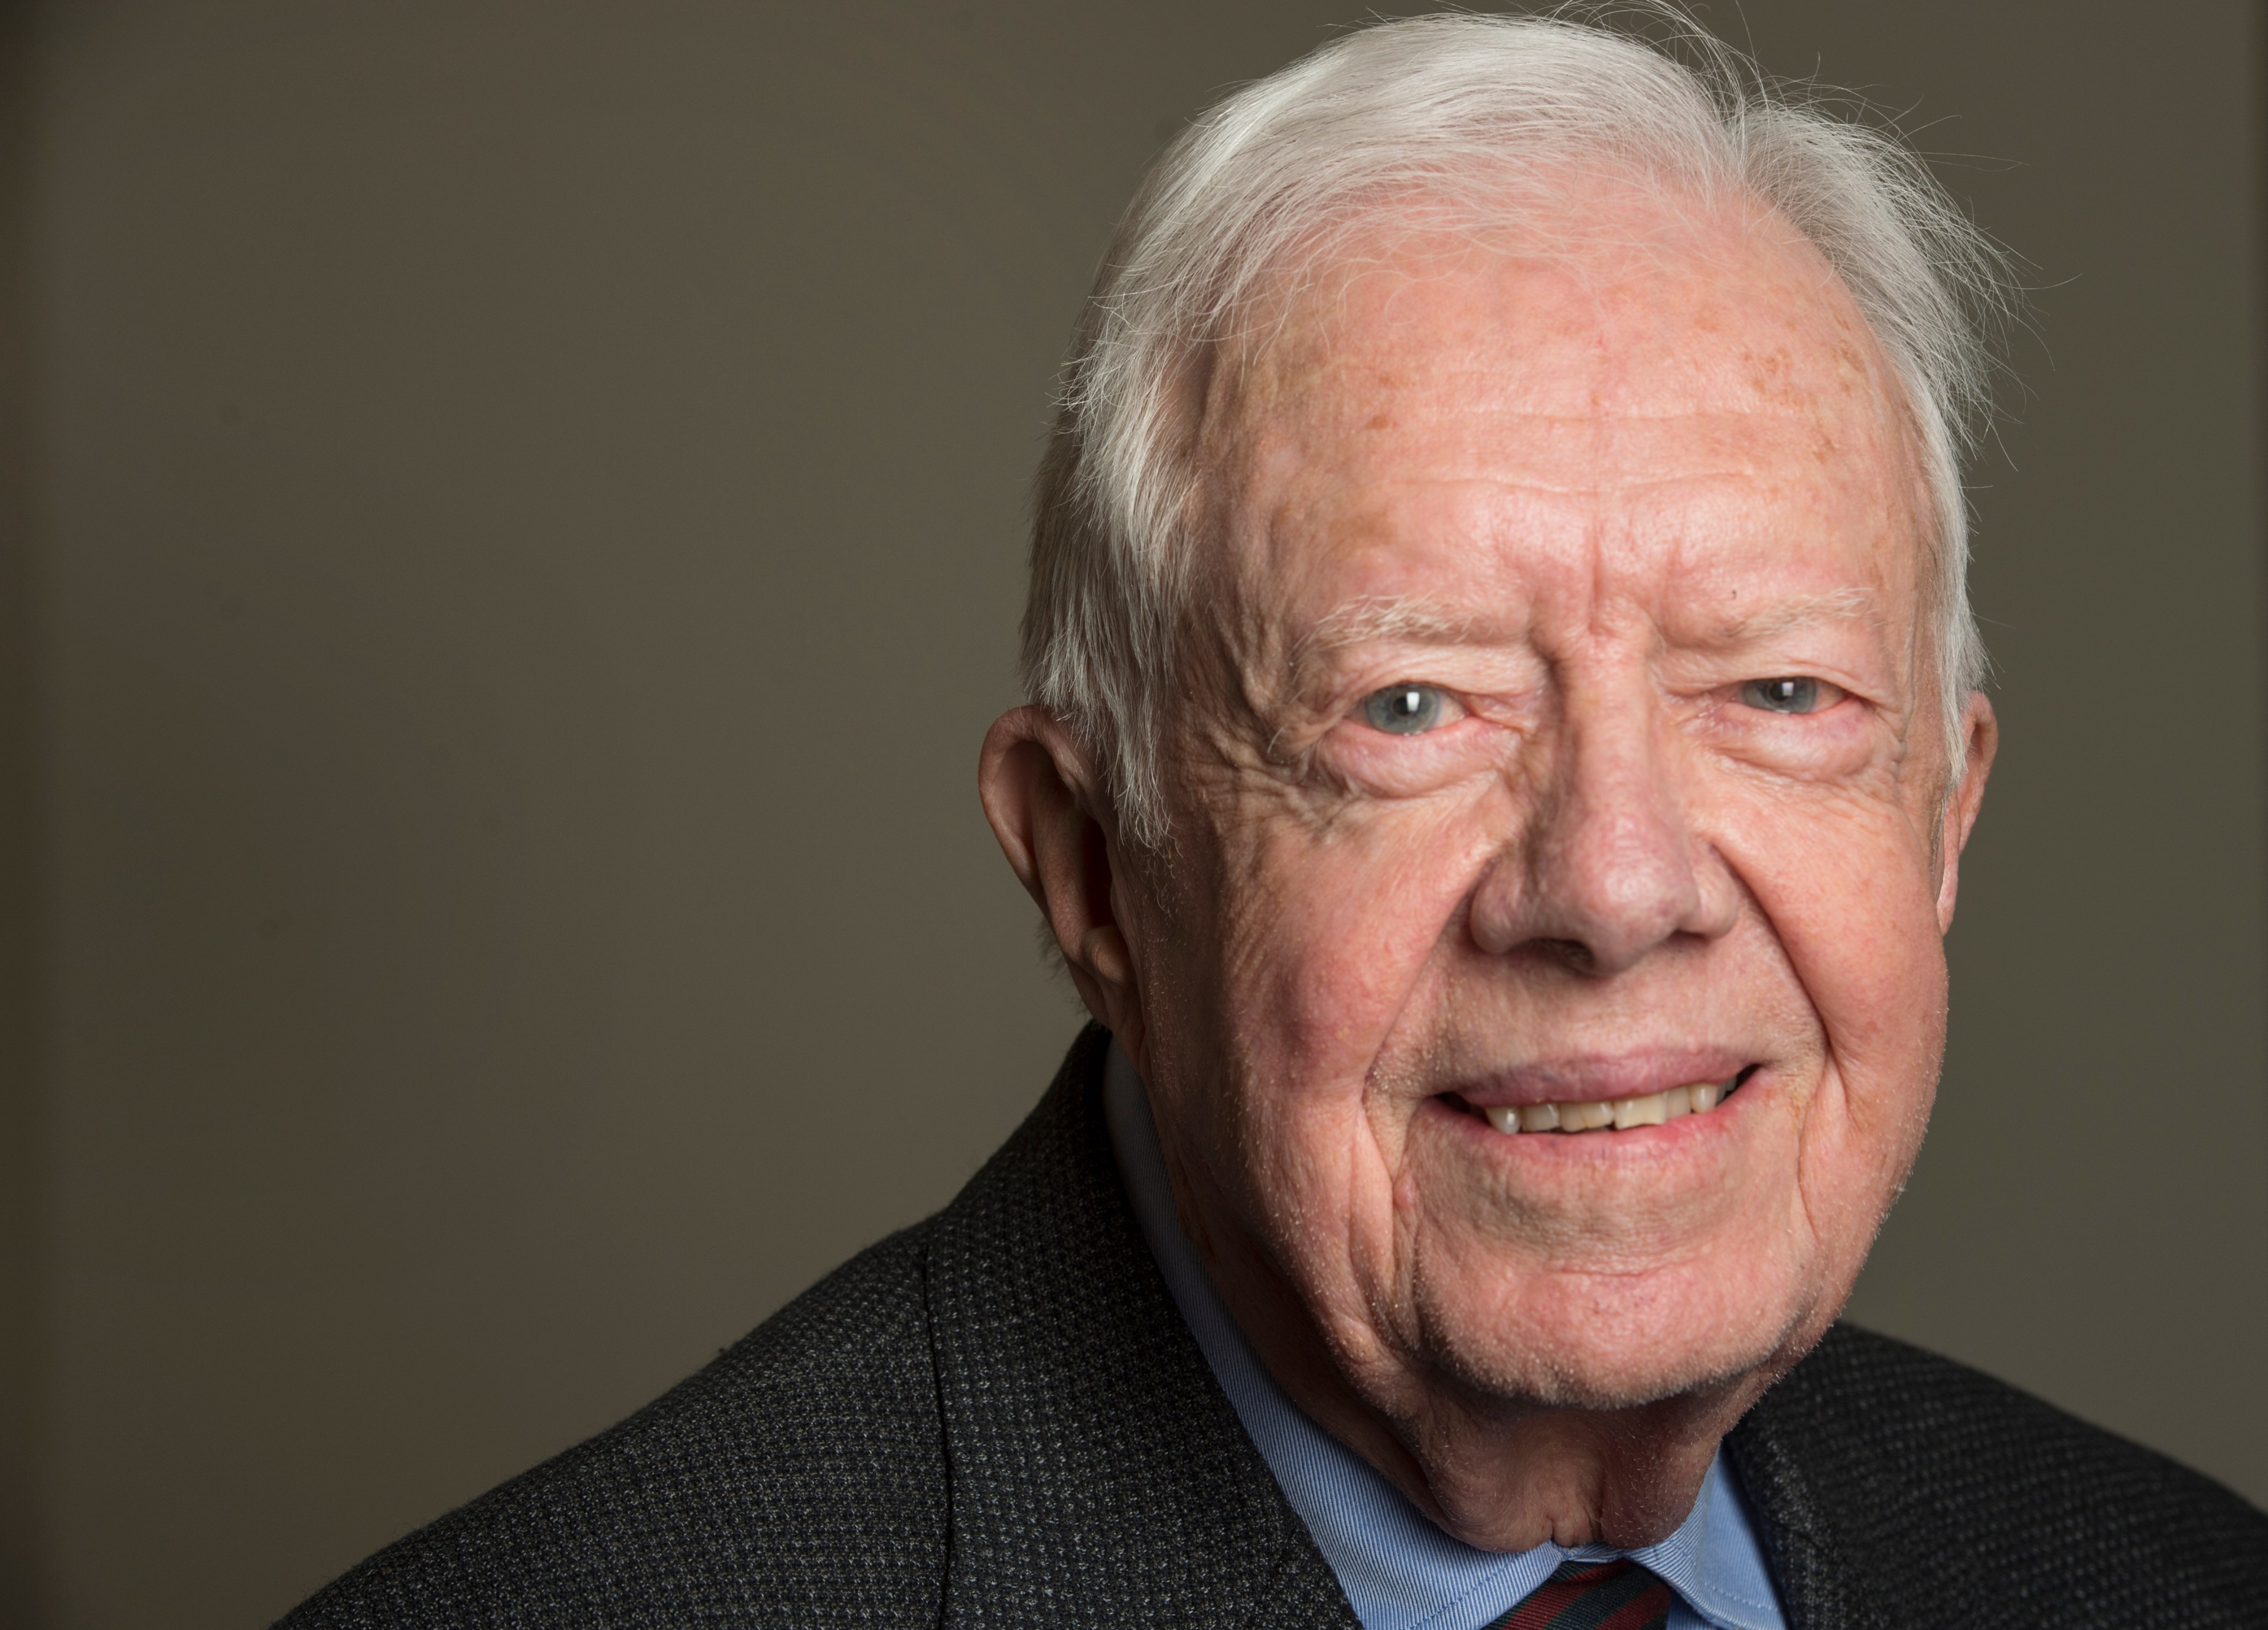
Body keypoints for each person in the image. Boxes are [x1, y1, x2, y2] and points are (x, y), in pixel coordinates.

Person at [279, 11, 2268, 1627]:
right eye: (1411, 705)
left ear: (1944, 818)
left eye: (1778, 694)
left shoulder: (2172, 1579)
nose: (1617, 884)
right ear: (1091, 869)